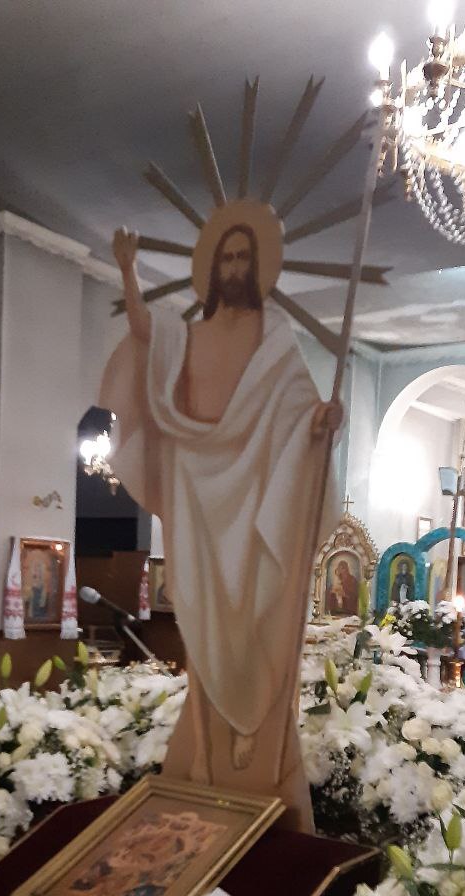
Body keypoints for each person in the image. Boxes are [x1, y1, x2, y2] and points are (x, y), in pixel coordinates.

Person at [99, 218, 341, 832]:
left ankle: (252, 730)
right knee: (204, 624)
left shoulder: (275, 338)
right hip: (198, 495)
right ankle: (207, 753)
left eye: (242, 258)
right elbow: (146, 336)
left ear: (257, 268)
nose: (234, 268)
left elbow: (298, 412)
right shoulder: (187, 336)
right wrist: (128, 272)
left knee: (254, 618)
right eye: (226, 258)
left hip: (255, 501)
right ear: (213, 268)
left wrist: (319, 423)